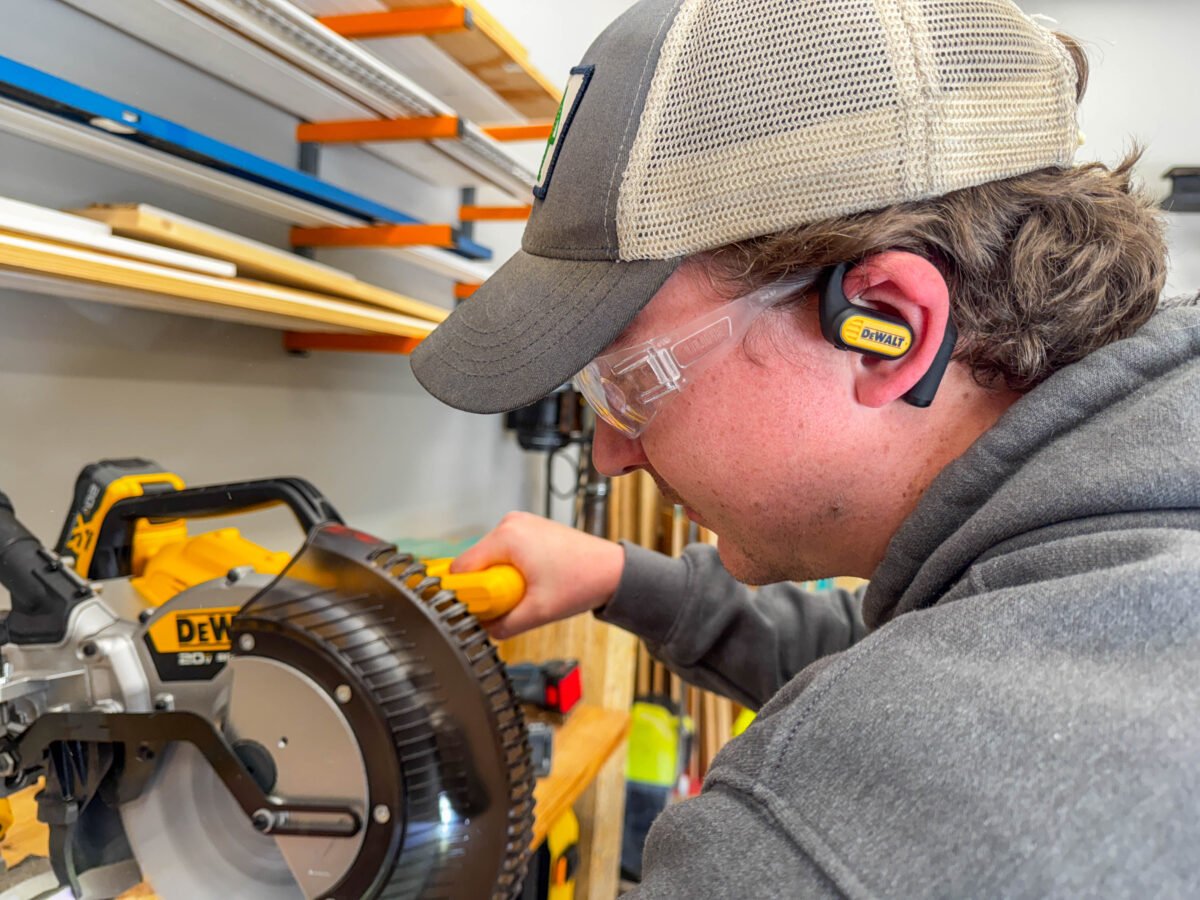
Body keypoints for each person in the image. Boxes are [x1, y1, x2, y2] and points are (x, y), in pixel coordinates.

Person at [412, 0, 1200, 894]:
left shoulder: (813, 843)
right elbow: (908, 657)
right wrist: (622, 578)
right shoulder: (1120, 536)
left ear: (887, 329)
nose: (608, 455)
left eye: (629, 382)